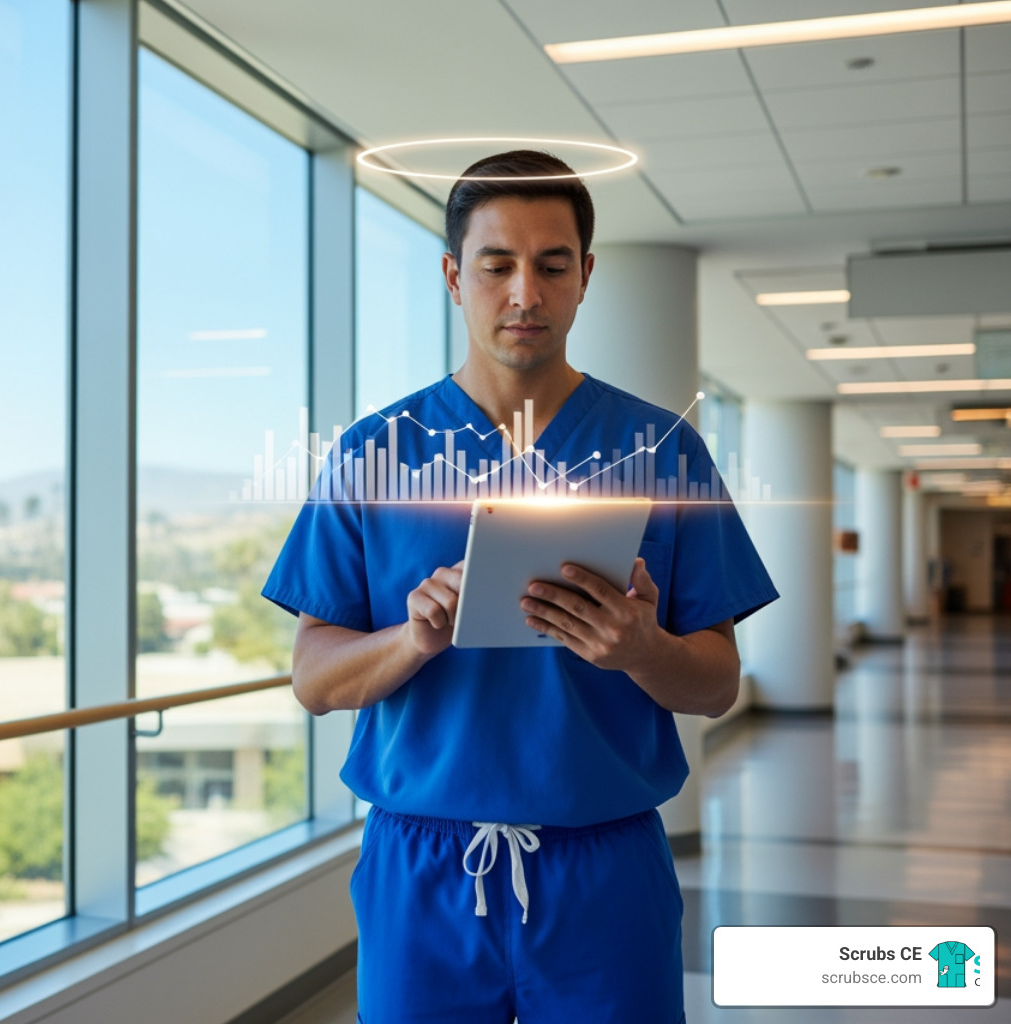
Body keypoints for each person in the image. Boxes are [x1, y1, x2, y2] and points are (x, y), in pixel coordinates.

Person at [262, 150, 778, 1023]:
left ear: (585, 278)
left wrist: (641, 649)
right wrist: (411, 638)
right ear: (454, 277)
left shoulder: (661, 450)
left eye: (552, 265)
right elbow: (314, 680)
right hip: (420, 872)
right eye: (497, 265)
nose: (524, 294)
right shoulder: (373, 453)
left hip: (605, 872)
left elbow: (717, 683)